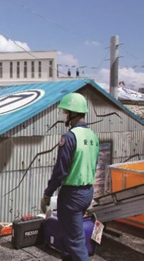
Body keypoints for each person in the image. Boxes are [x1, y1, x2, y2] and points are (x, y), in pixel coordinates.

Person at [41, 93, 99, 261]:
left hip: (71, 195)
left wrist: (48, 193)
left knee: (75, 242)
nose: (65, 115)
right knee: (69, 234)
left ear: (73, 113)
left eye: (66, 112)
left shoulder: (70, 137)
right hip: (87, 192)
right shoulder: (93, 137)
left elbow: (60, 171)